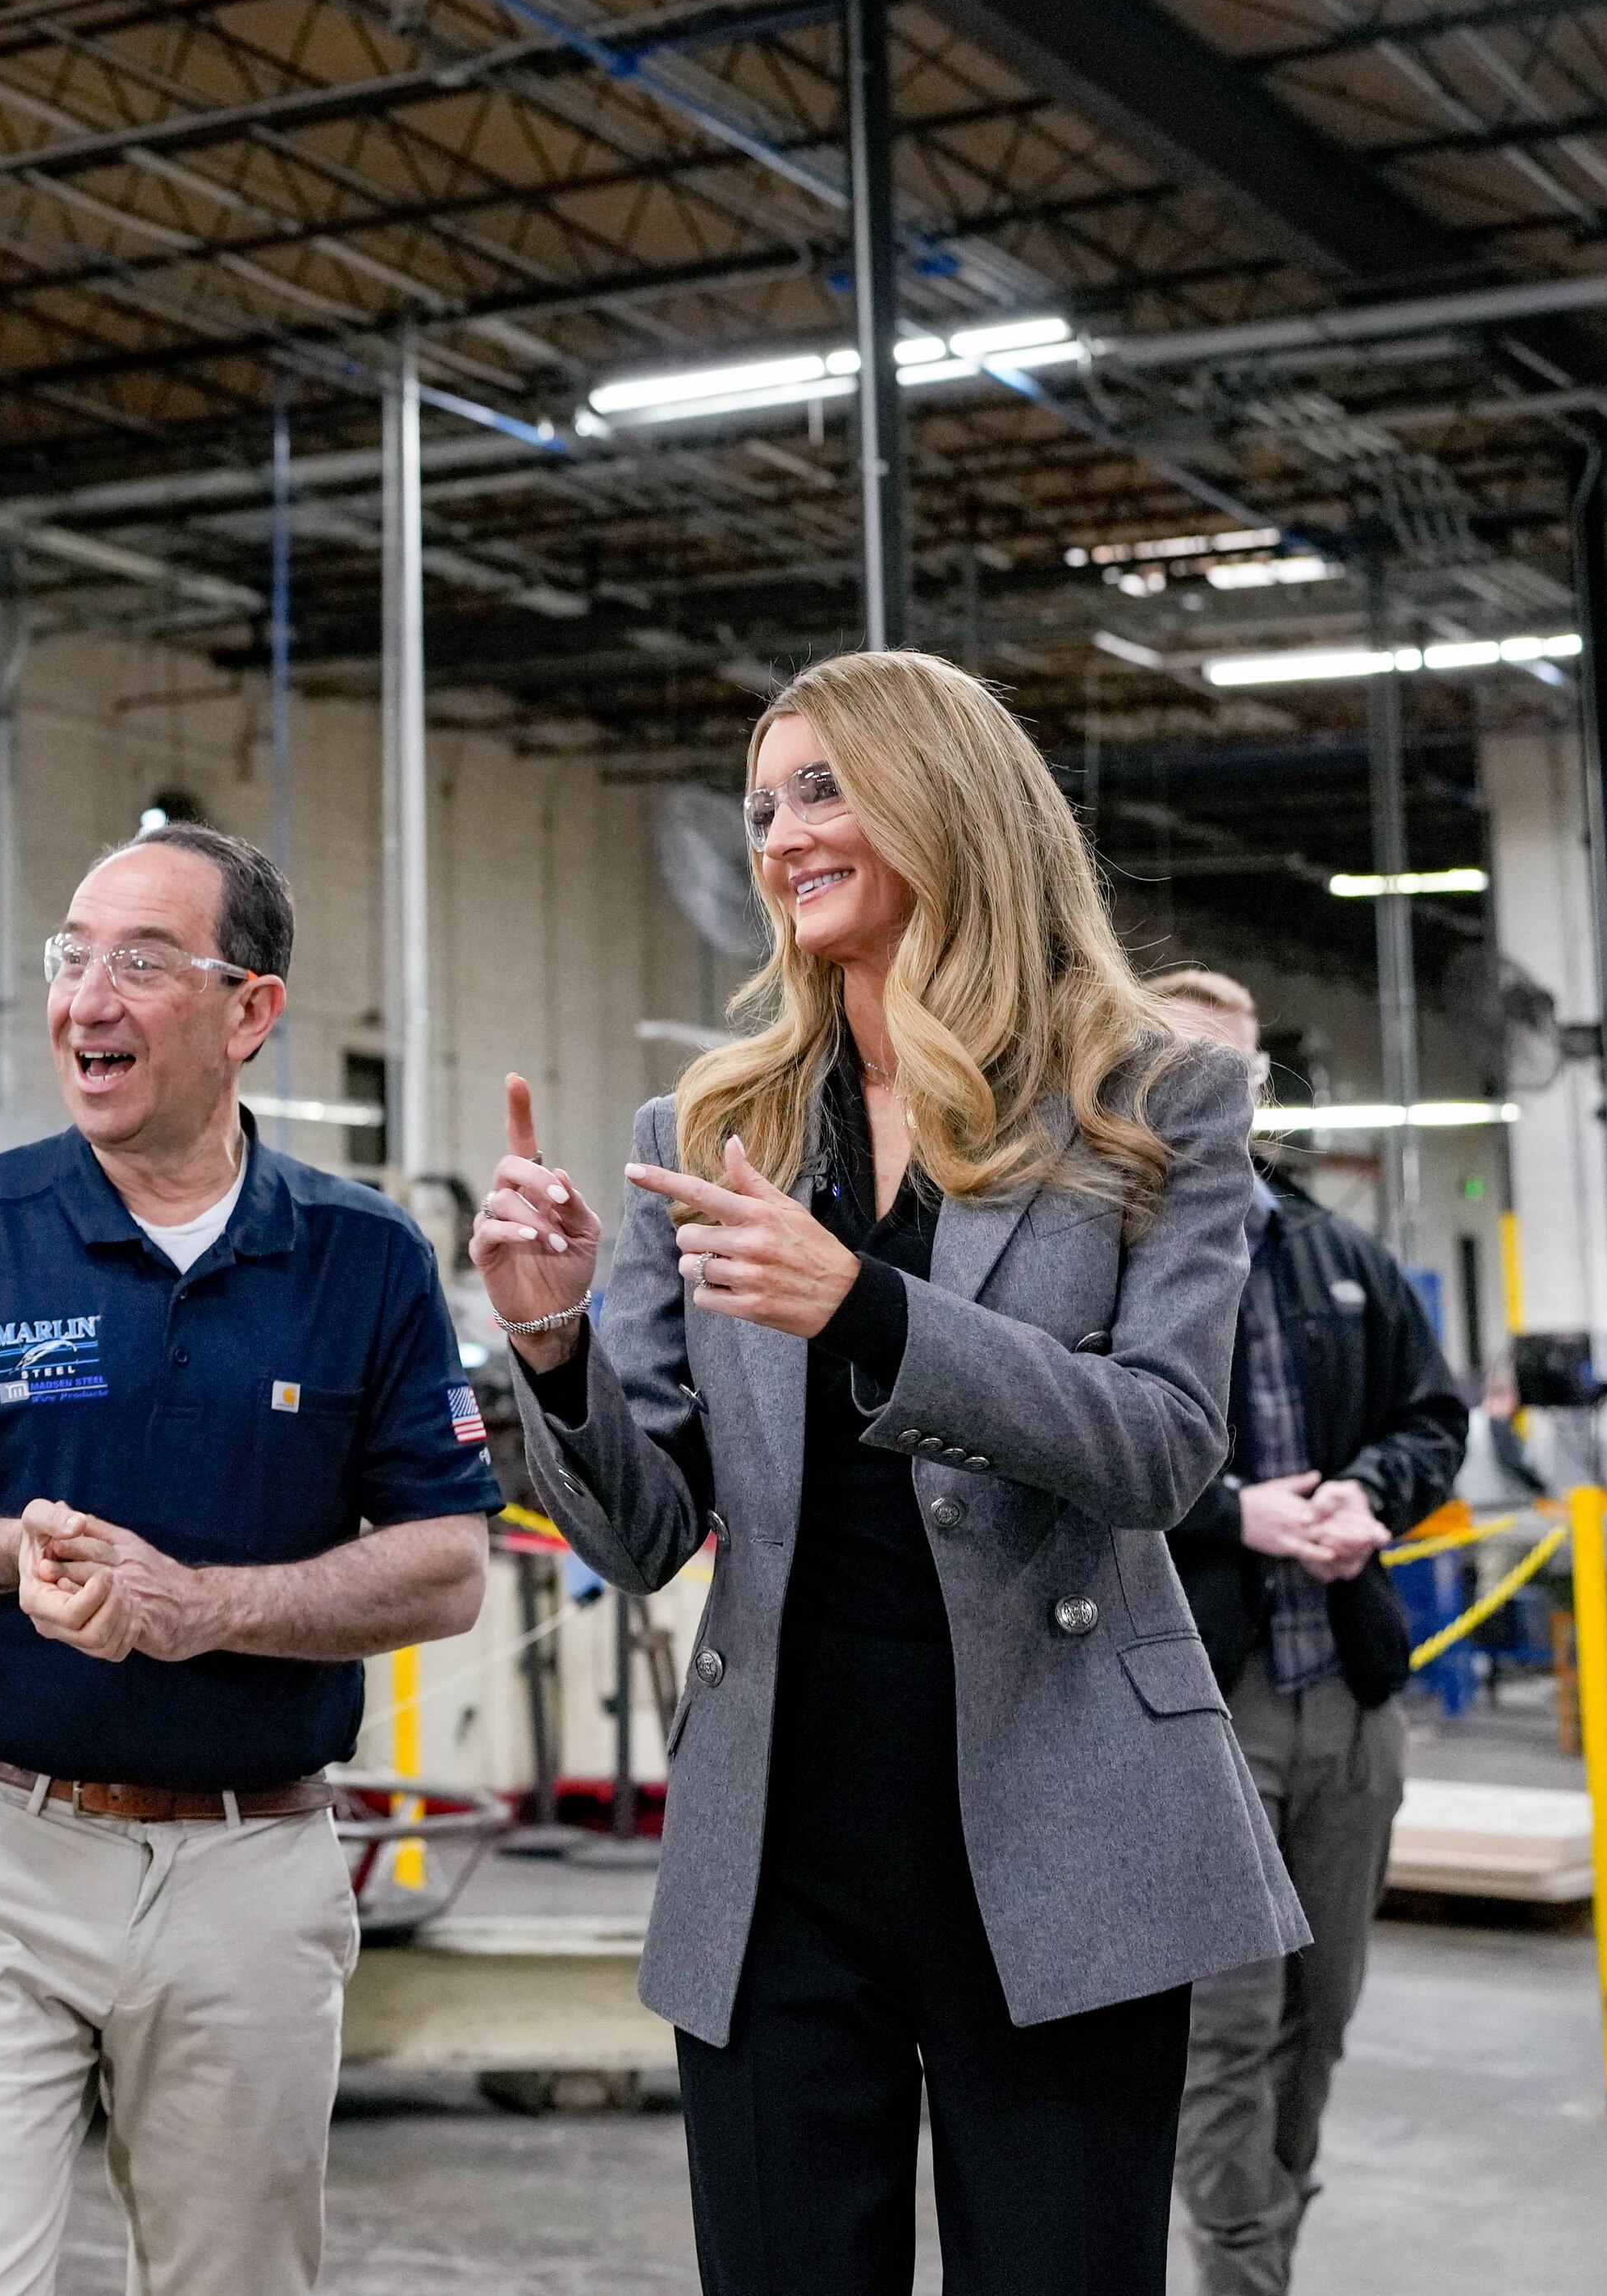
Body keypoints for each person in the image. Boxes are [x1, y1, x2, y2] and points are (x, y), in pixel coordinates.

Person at [469, 648, 1303, 2296]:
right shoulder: (712, 1127)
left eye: (820, 787)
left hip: (1069, 1838)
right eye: (762, 799)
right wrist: (549, 1336)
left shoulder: (1151, 1098)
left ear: (951, 798)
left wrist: (869, 1306)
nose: (779, 833)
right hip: (780, 1854)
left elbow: (1159, 1444)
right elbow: (643, 1535)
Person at [0, 820, 500, 2296]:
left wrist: (204, 1606)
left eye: (143, 961)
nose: (86, 999)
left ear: (250, 1010)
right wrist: (5, 1549)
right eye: (71, 956)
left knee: (236, 2274)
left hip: (252, 1860)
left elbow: (446, 1562)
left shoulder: (360, 1257)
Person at [1144, 965, 1467, 2296]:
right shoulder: (1101, 1257)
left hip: (1346, 1689)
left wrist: (1366, 1499)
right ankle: (1243, 2273)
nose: (1213, 1099)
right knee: (1225, 2026)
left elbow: (1432, 1416)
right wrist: (1234, 1514)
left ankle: (1263, 2249)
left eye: (1235, 1073)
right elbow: (1064, 1464)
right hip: (1198, 1699)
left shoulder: (1345, 1259)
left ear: (1261, 1090)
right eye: (1179, 1071)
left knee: (1318, 2019)